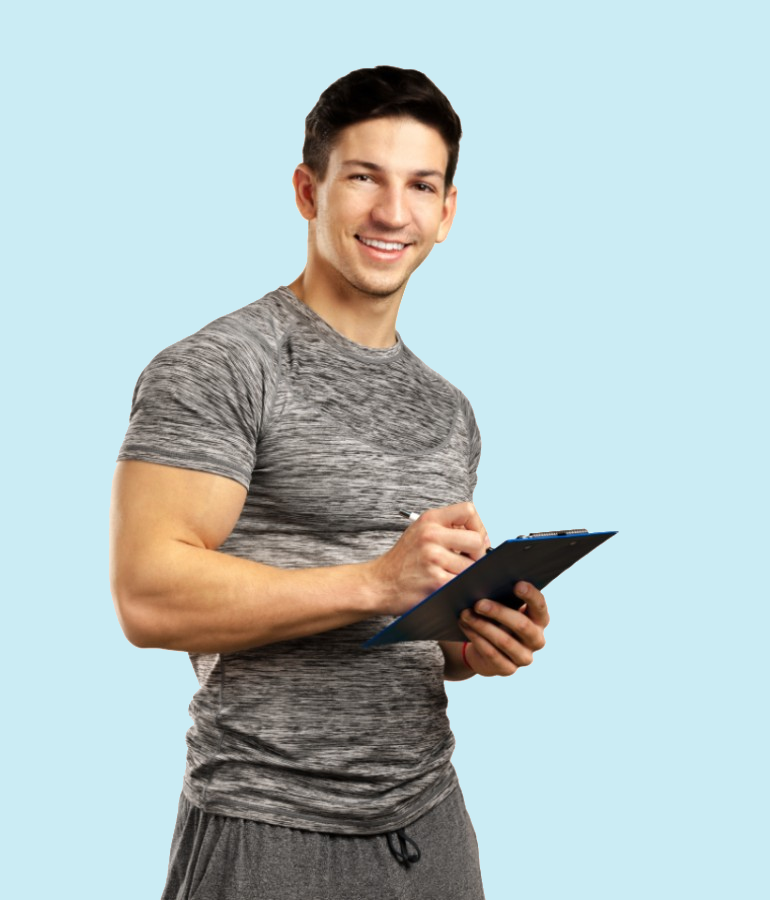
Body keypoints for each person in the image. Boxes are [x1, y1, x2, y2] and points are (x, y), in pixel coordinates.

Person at [111, 66, 540, 899]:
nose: (392, 211)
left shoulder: (448, 410)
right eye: (363, 178)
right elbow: (147, 596)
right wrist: (376, 581)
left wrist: (471, 642)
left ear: (447, 212)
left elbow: (405, 633)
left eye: (421, 184)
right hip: (269, 825)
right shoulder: (220, 368)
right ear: (309, 191)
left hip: (432, 823)